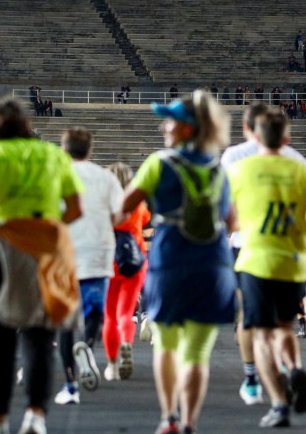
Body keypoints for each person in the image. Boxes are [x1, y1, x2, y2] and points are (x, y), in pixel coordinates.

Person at [120, 91, 236, 434]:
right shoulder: (219, 169)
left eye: (169, 121)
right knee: (197, 352)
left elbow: (125, 206)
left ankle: (168, 417)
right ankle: (189, 423)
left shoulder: (160, 163)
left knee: (167, 345)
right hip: (213, 264)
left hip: (170, 261)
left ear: (187, 129)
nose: (163, 127)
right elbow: (233, 222)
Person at [0, 101, 84, 434]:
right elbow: (76, 209)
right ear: (27, 124)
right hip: (45, 248)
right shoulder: (54, 155)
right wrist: (47, 227)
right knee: (40, 337)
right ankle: (36, 415)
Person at [228, 109, 306, 428]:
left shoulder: (241, 169)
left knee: (260, 333)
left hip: (255, 257)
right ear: (286, 139)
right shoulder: (302, 169)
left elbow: (225, 215)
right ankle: (293, 366)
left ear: (256, 136)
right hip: (294, 258)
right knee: (284, 325)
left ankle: (278, 403)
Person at [220, 103, 306, 406]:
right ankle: (291, 365)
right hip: (288, 246)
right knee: (284, 321)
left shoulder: (234, 157)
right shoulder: (295, 158)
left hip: (247, 245)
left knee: (251, 319)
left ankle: (252, 379)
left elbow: (223, 206)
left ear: (248, 128)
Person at [54, 127, 123, 406]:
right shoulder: (106, 177)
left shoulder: (56, 175)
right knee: (95, 311)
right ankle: (89, 344)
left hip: (65, 251)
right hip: (99, 249)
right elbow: (120, 214)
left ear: (64, 149)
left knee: (65, 321)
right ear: (90, 151)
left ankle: (71, 385)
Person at [103, 162, 149, 381]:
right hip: (134, 262)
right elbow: (147, 219)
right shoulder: (137, 204)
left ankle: (112, 364)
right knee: (126, 312)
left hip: (107, 262)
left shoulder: (102, 204)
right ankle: (126, 344)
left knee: (109, 315)